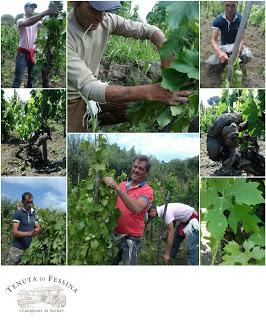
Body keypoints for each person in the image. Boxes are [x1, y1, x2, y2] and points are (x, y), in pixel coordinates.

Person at [68, 1, 193, 132]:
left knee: (138, 104)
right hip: (73, 99)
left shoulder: (107, 20)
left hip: (93, 90)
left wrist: (163, 45)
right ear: (75, 2)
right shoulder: (68, 37)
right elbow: (90, 87)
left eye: (105, 10)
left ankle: (95, 117)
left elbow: (147, 30)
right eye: (94, 9)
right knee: (76, 134)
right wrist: (153, 91)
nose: (100, 17)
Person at [103, 155, 154, 265]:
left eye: (141, 169)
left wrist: (117, 188)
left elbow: (136, 208)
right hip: (115, 236)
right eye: (135, 166)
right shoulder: (122, 185)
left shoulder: (147, 190)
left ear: (146, 173)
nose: (136, 170)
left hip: (132, 239)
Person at [12, 2, 60, 88]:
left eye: (34, 8)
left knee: (32, 78)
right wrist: (45, 12)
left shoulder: (37, 22)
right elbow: (28, 22)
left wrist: (55, 16)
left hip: (33, 53)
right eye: (31, 7)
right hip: (22, 54)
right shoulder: (20, 21)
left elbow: (46, 23)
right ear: (25, 8)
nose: (33, 9)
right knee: (18, 79)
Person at [206, 1, 253, 67]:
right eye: (227, 5)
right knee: (210, 63)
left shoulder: (241, 20)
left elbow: (242, 39)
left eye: (233, 6)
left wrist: (237, 51)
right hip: (224, 46)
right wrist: (220, 53)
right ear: (223, 5)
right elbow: (213, 40)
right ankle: (225, 61)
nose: (230, 9)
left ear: (237, 5)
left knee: (248, 55)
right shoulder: (218, 20)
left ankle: (238, 63)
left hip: (235, 45)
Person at [5, 192, 41, 265]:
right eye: (28, 202)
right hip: (17, 249)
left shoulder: (34, 214)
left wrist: (39, 229)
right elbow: (14, 232)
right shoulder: (18, 214)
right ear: (23, 202)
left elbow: (37, 226)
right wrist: (30, 233)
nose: (30, 204)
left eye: (31, 202)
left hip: (29, 250)